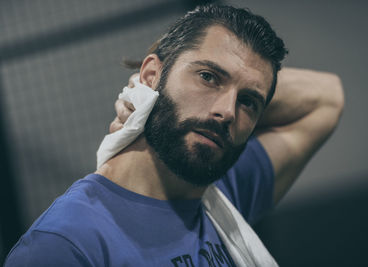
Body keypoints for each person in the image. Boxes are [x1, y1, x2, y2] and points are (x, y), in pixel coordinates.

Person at [4, 4, 344, 267]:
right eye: (209, 77)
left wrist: (251, 85)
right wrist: (148, 93)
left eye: (248, 102)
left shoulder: (223, 200)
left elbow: (329, 96)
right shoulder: (66, 243)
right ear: (152, 75)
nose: (227, 112)